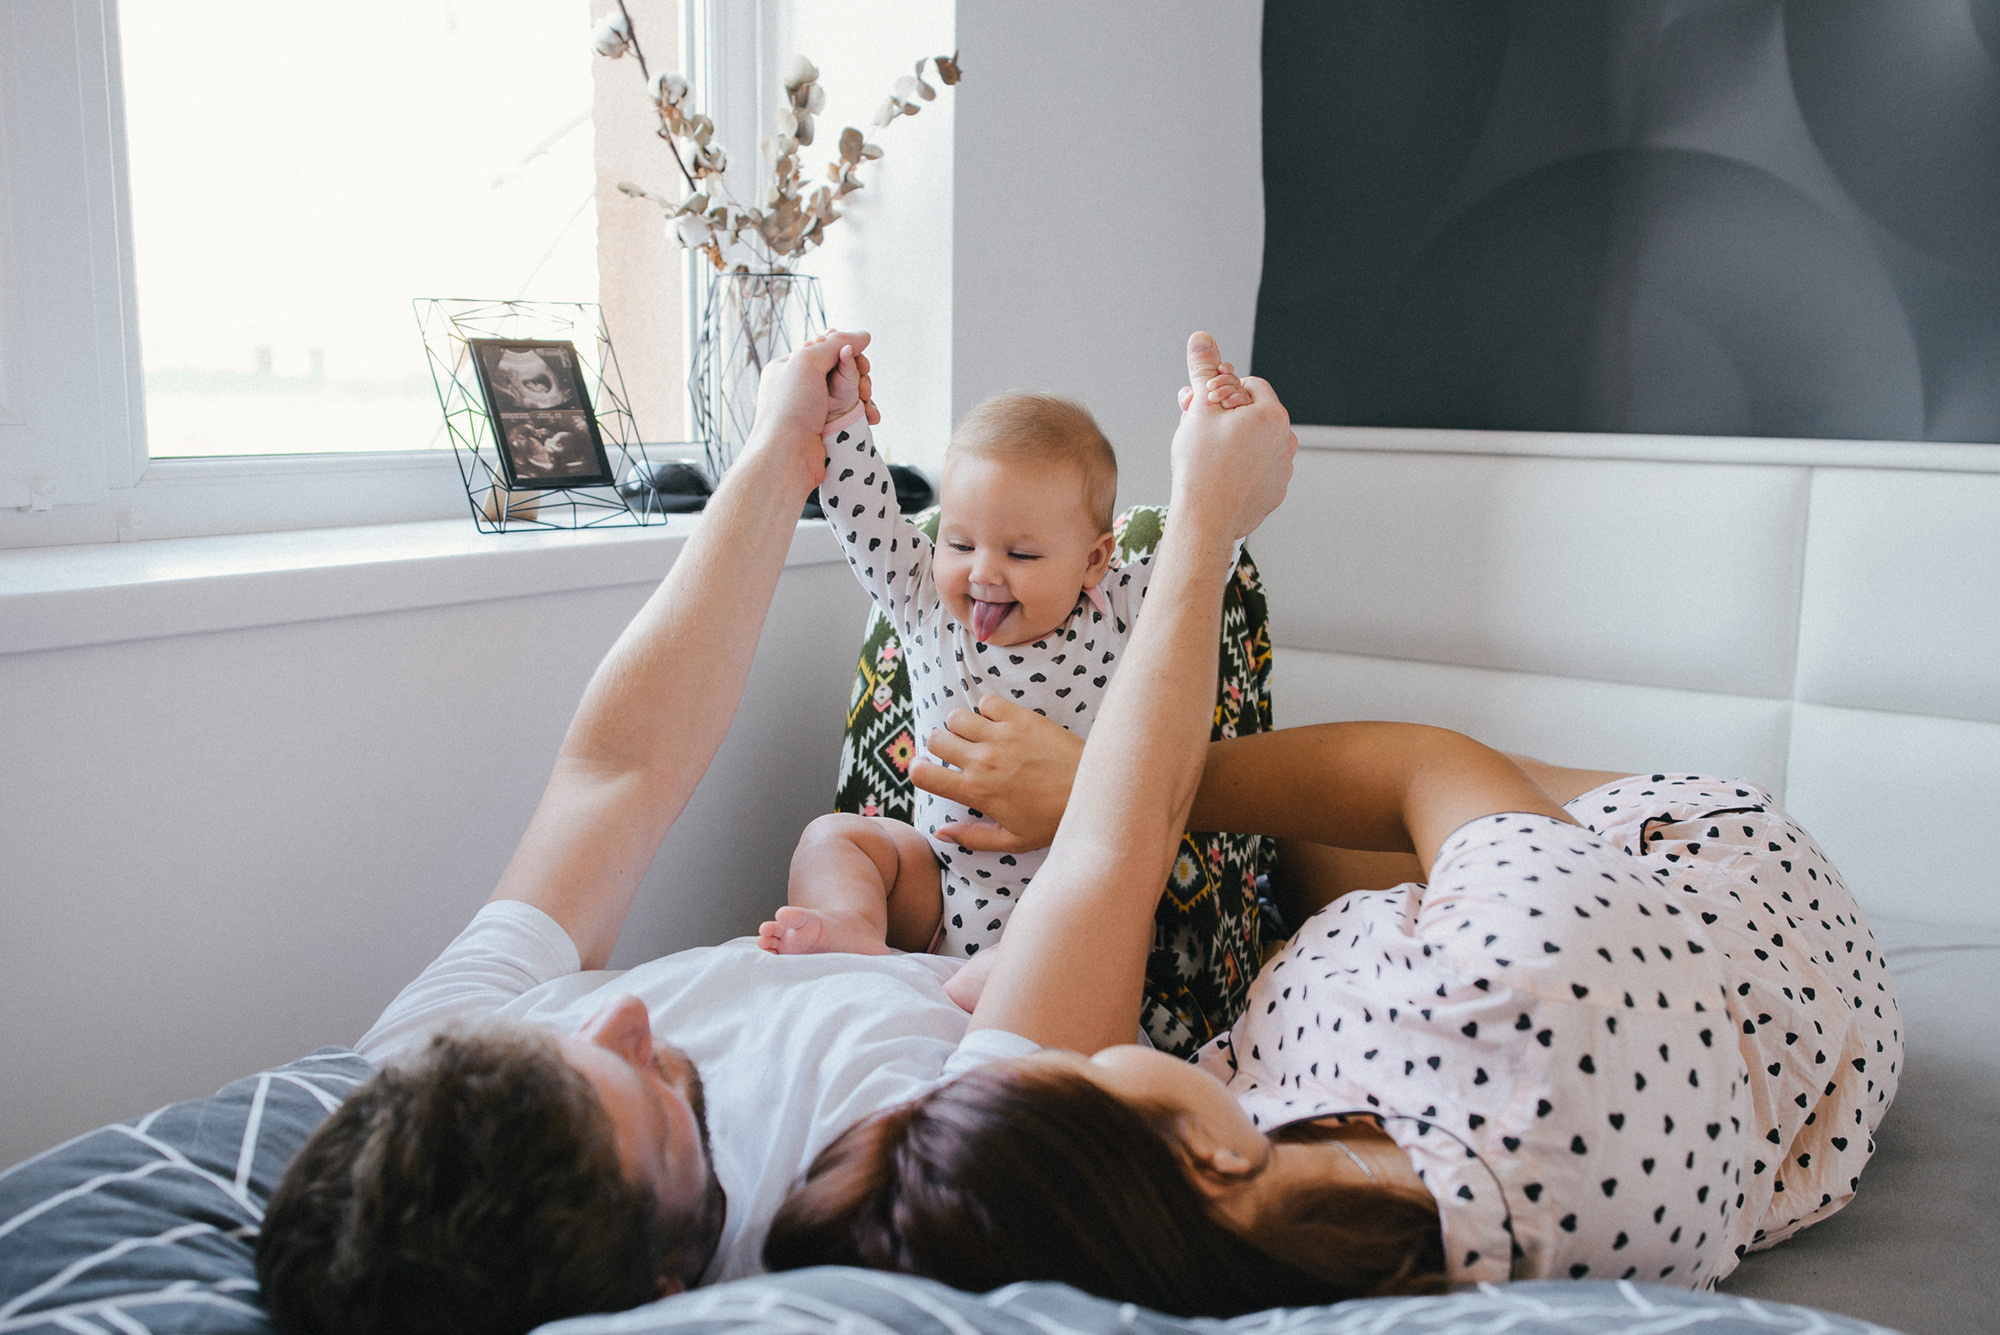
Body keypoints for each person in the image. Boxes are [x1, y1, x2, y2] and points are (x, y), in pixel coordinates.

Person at [252, 329, 1299, 1335]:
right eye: (635, 1084)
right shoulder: (917, 1183)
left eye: (561, 1049)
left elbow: (613, 775)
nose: (618, 1016)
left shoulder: (423, 1082)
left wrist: (780, 449)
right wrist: (1206, 523)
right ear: (672, 1288)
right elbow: (1110, 861)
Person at [766, 714, 1905, 1311]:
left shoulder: (1249, 1258)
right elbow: (1424, 762)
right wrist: (1106, 779)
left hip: (1630, 980)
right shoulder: (1524, 984)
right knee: (1318, 806)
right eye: (1079, 1070)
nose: (1099, 1051)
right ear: (1203, 1158)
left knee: (1280, 834)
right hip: (1710, 893)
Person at [757, 353, 1254, 1012]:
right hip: (933, 887)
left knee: (1035, 963)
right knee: (834, 839)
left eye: (1020, 554)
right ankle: (855, 938)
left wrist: (1224, 436)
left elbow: (1203, 553)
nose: (982, 573)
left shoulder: (1123, 610)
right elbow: (863, 515)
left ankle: (966, 992)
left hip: (1058, 904)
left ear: (1095, 559)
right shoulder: (923, 601)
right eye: (960, 543)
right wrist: (844, 416)